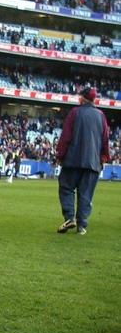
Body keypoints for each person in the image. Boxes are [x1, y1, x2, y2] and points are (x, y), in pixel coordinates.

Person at [55, 86, 109, 234]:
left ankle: (69, 217)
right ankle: (81, 225)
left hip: (73, 159)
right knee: (86, 195)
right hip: (92, 162)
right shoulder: (101, 115)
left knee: (66, 188)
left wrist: (60, 155)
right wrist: (104, 157)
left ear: (82, 98)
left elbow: (65, 136)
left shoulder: (75, 113)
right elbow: (105, 139)